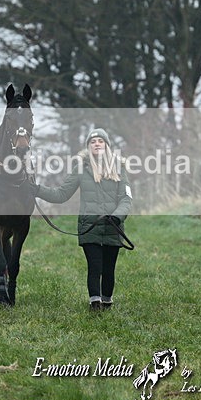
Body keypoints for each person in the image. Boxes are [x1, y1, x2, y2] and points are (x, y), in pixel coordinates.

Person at [29, 128, 132, 311]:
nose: (97, 144)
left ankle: (107, 300)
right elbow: (61, 194)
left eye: (100, 141)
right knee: (95, 266)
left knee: (109, 269)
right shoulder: (80, 170)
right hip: (89, 226)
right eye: (93, 142)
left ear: (107, 145)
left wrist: (117, 216)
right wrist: (36, 190)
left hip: (113, 227)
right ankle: (95, 302)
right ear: (88, 147)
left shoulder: (119, 168)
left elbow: (126, 198)